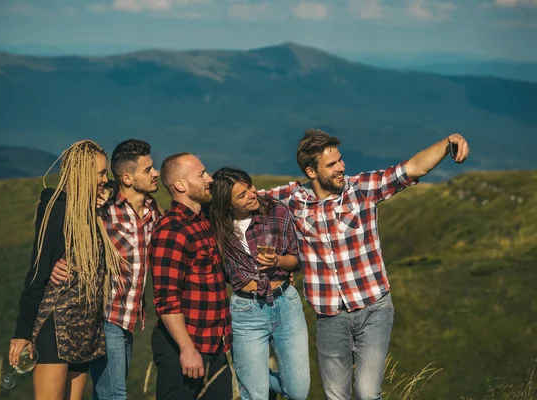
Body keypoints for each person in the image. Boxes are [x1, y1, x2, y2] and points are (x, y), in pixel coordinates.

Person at [262, 129, 470, 400]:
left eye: (340, 160)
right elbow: (243, 196)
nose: (341, 167)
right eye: (332, 164)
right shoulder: (293, 199)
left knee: (367, 392)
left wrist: (448, 143)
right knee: (337, 395)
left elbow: (412, 168)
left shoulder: (361, 188)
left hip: (375, 308)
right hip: (330, 315)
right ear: (311, 172)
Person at [9, 140, 125, 400]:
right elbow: (37, 272)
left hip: (85, 327)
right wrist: (22, 332)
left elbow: (116, 186)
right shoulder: (58, 208)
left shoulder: (91, 207)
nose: (105, 179)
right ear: (83, 174)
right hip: (57, 325)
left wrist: (103, 190)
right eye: (100, 173)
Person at [49, 139, 162, 399]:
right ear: (127, 178)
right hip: (105, 314)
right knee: (114, 393)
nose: (155, 173)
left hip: (129, 318)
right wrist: (59, 260)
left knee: (106, 392)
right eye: (148, 169)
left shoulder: (152, 209)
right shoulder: (105, 207)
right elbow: (74, 229)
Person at [209, 167, 310, 400]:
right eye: (241, 195)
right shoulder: (216, 225)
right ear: (227, 204)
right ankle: (252, 378)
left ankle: (252, 376)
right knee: (256, 395)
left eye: (250, 187)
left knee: (297, 391)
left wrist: (277, 261)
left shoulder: (276, 211)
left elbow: (295, 260)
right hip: (246, 310)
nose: (252, 195)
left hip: (286, 303)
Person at [149, 153, 233, 400]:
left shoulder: (202, 221)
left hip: (214, 343)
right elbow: (166, 298)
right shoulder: (172, 231)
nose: (209, 179)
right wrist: (186, 349)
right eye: (201, 175)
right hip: (186, 347)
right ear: (181, 185)